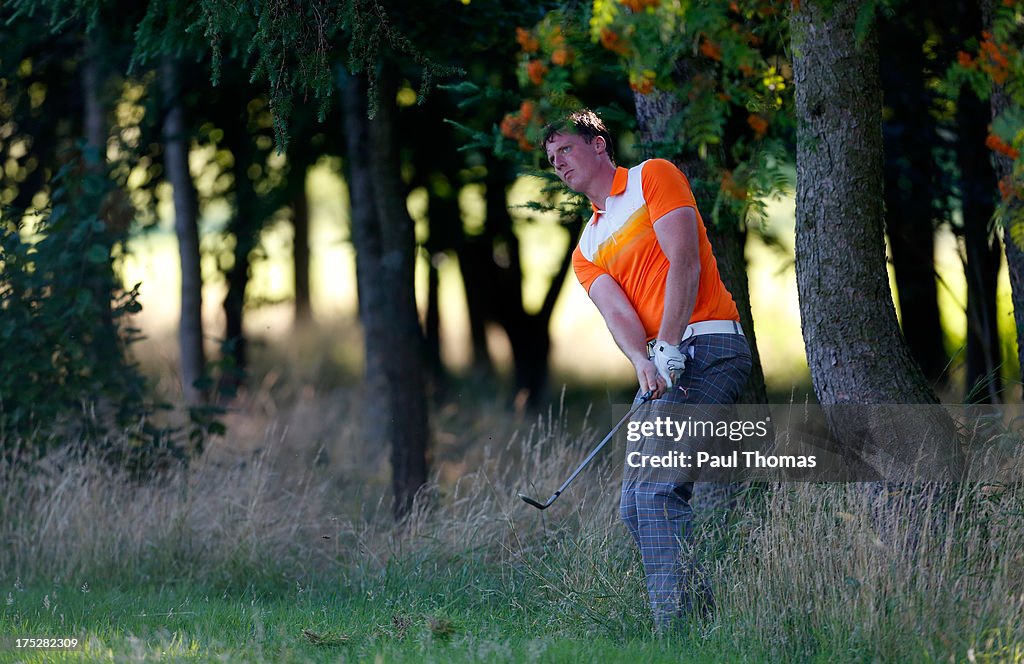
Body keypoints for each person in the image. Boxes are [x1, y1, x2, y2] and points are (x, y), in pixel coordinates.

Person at [543, 108, 752, 630]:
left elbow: (685, 261)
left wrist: (670, 343)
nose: (558, 162)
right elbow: (619, 316)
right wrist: (644, 361)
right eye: (551, 159)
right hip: (666, 363)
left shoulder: (652, 177)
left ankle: (674, 629)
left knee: (657, 492)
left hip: (711, 348)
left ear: (598, 145)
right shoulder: (586, 251)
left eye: (565, 148)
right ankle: (701, 619)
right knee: (635, 503)